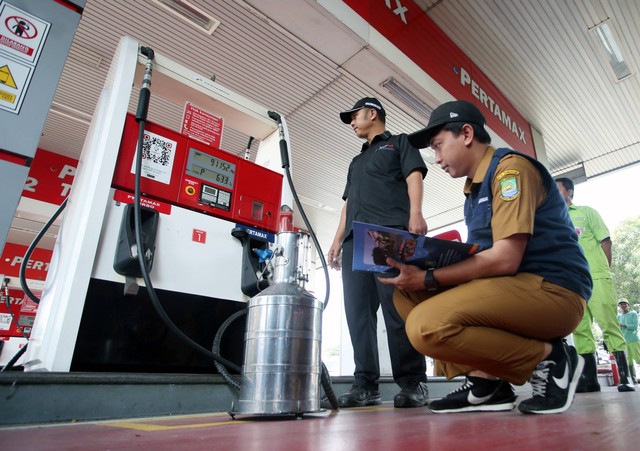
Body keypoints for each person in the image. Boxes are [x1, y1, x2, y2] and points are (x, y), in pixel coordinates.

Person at [379, 99, 592, 415]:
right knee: (407, 296)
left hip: (554, 291)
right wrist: (424, 266)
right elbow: (484, 259)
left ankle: (550, 359)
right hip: (513, 288)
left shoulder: (510, 171)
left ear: (466, 133)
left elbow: (505, 259)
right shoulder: (473, 190)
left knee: (426, 325)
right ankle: (487, 384)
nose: (436, 159)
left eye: (438, 147)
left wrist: (429, 276)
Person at [326, 97, 429, 408]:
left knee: (396, 309)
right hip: (354, 241)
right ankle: (365, 384)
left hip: (387, 235)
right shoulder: (355, 162)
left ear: (373, 113)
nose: (352, 122)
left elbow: (414, 176)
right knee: (358, 315)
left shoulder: (399, 143)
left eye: (354, 116)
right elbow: (348, 205)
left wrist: (416, 213)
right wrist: (335, 241)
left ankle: (413, 382)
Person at [555, 177, 635, 392]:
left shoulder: (587, 212)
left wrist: (603, 270)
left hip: (596, 277)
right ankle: (589, 379)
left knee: (609, 324)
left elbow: (605, 241)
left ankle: (626, 377)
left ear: (569, 192)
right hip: (573, 282)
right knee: (580, 329)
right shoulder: (553, 219)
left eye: (557, 188)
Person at [617, 299, 639, 383]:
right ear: (619, 307)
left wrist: (624, 325)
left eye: (624, 304)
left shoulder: (633, 314)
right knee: (629, 361)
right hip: (624, 341)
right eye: (621, 304)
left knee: (638, 358)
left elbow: (635, 326)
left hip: (634, 340)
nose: (623, 305)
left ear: (628, 305)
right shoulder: (619, 316)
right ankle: (633, 379)